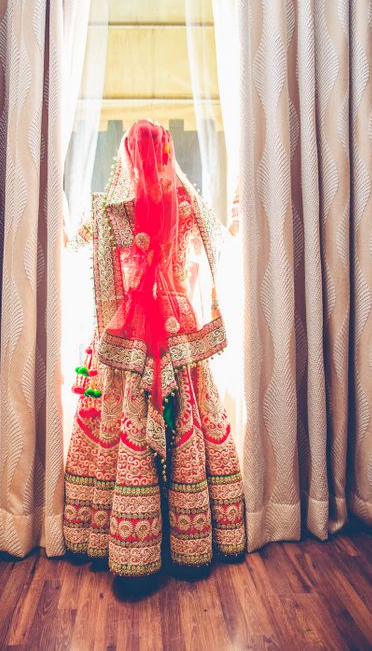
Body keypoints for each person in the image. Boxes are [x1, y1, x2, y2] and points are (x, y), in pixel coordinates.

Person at [63, 119, 247, 577]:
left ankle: (130, 540)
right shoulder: (184, 201)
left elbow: (77, 245)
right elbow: (220, 243)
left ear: (126, 154)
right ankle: (190, 540)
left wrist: (59, 215)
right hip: (177, 324)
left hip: (127, 332)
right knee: (189, 420)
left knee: (124, 422)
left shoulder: (111, 207)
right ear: (166, 154)